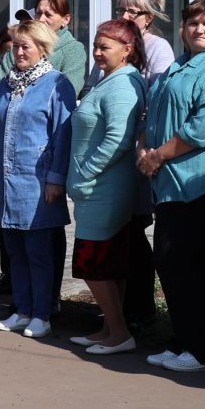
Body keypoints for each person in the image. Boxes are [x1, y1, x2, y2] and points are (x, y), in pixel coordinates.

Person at [137, 0, 205, 374]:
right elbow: (156, 113)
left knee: (189, 266)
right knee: (172, 264)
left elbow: (204, 126)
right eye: (193, 23)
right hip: (170, 183)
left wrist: (158, 155)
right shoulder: (182, 63)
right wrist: (146, 149)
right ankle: (184, 340)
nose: (199, 29)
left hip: (200, 183)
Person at [0, 20, 78, 337]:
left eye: (26, 46)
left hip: (37, 183)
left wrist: (56, 179)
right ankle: (22, 309)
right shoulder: (5, 85)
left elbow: (63, 135)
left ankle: (42, 313)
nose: (19, 52)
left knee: (39, 252)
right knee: (15, 251)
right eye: (16, 45)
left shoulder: (56, 83)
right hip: (6, 180)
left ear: (42, 49)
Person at [67, 19, 149, 355]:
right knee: (109, 261)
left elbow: (119, 138)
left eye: (106, 47)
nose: (98, 53)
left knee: (91, 261)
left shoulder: (122, 86)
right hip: (97, 187)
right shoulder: (108, 80)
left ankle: (119, 332)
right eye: (97, 46)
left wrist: (86, 172)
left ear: (127, 50)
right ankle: (110, 329)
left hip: (104, 187)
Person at [0, 0, 88, 86]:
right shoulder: (18, 45)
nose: (41, 19)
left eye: (48, 15)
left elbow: (68, 90)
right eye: (38, 13)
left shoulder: (73, 50)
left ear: (66, 19)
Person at [114, 0, 176, 80]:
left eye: (132, 12)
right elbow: (90, 87)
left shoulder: (158, 47)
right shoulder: (110, 43)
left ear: (149, 18)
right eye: (121, 10)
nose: (124, 17)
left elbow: (159, 90)